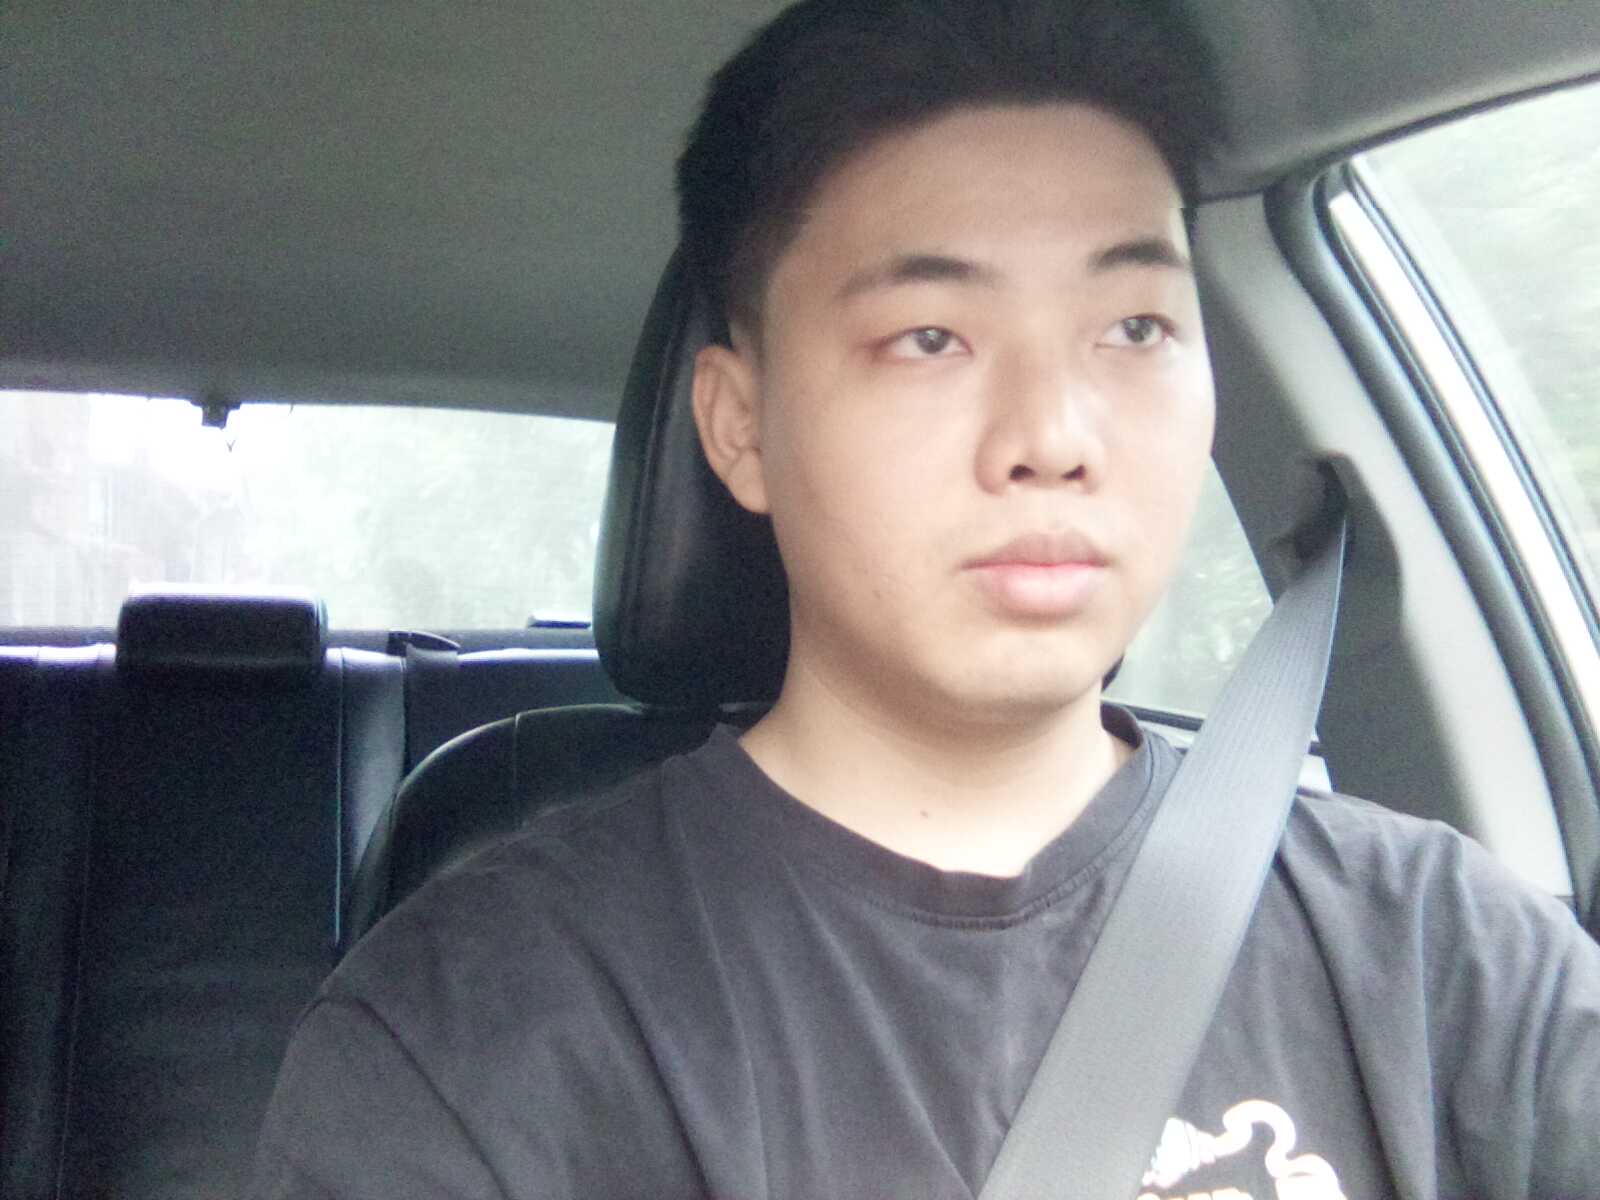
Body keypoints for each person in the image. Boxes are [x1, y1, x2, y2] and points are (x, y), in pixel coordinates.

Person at [253, 1, 1600, 1196]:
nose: (1053, 435)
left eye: (1134, 327)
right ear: (739, 427)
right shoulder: (472, 1043)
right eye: (930, 337)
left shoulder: (1450, 956)